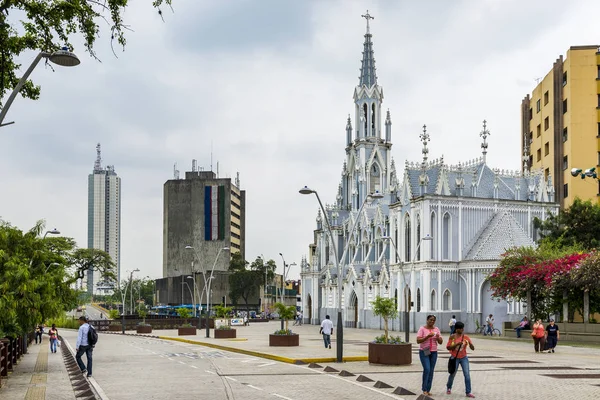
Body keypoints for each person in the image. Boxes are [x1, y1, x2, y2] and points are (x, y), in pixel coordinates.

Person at [446, 321, 476, 398]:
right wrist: (456, 344)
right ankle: (449, 387)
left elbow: (473, 348)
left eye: (462, 328)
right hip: (454, 357)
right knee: (452, 374)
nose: (462, 330)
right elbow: (448, 347)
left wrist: (470, 344)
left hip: (464, 357)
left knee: (467, 375)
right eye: (460, 328)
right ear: (456, 329)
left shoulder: (466, 337)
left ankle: (468, 392)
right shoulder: (452, 337)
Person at [417, 314, 443, 397]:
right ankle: (424, 389)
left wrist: (438, 338)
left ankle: (428, 389)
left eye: (433, 320)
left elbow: (441, 342)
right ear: (427, 320)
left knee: (431, 370)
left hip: (434, 352)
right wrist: (427, 336)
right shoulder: (422, 329)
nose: (432, 321)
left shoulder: (436, 329)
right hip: (425, 350)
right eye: (430, 320)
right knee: (427, 369)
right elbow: (418, 340)